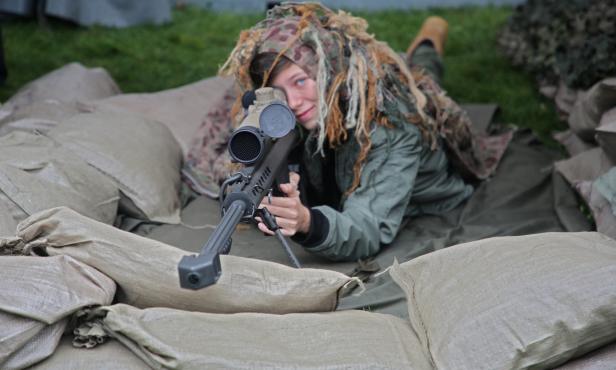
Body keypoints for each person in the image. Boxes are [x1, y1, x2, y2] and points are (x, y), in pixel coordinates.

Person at [209, 3, 509, 261]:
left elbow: (368, 226)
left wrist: (307, 221)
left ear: (329, 71)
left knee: (424, 72)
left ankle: (431, 33)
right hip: (345, 167)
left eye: (300, 81)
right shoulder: (308, 105)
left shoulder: (391, 125)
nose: (293, 102)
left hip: (421, 199)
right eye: (279, 89)